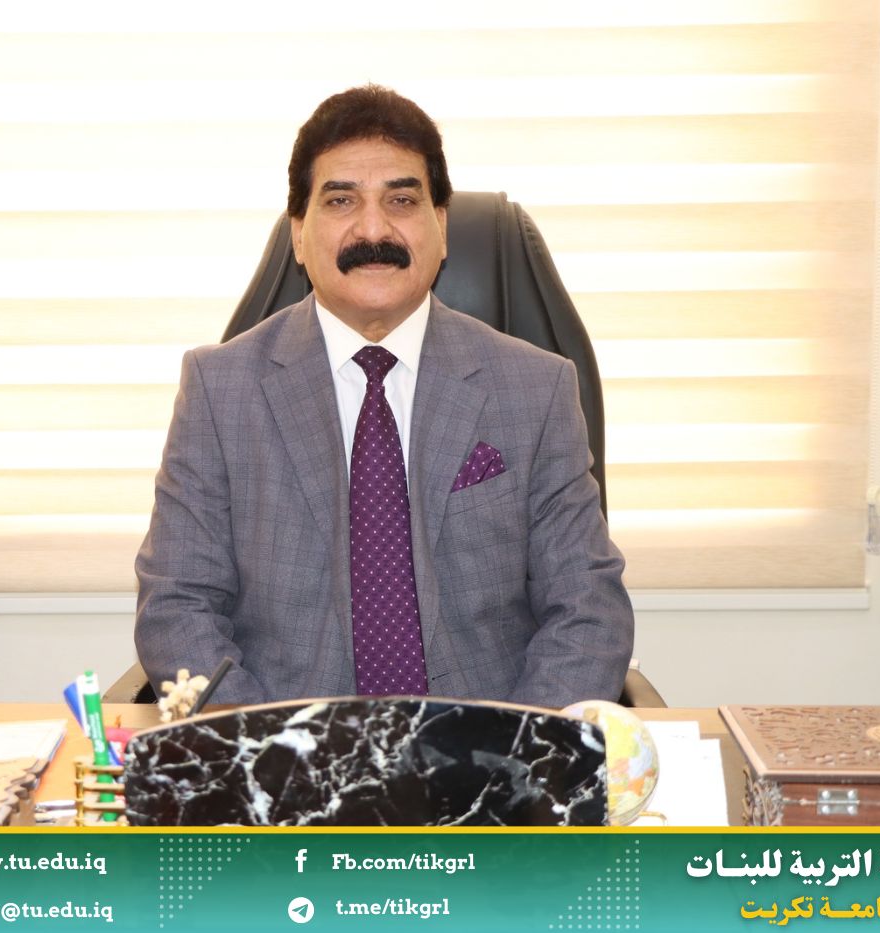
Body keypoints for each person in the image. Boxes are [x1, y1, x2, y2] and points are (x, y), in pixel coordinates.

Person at [135, 85, 632, 708]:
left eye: (401, 200)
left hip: (485, 745)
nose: (373, 228)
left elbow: (587, 611)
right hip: (287, 747)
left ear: (440, 227)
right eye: (341, 200)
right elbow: (177, 607)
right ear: (298, 233)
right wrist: (272, 750)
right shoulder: (219, 391)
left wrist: (517, 748)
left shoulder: (536, 388)